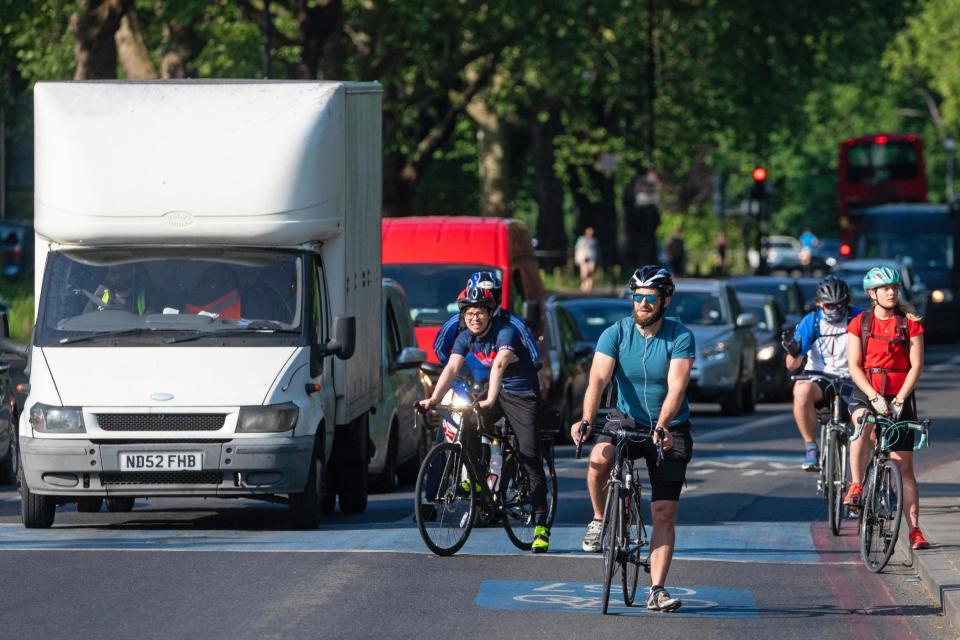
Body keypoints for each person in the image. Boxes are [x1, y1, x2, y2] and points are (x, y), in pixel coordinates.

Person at [570, 266, 695, 612]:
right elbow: (597, 379)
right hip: (625, 419)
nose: (641, 303)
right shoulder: (616, 333)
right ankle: (599, 518)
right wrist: (585, 418)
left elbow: (677, 386)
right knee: (599, 456)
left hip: (669, 427)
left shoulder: (679, 336)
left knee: (663, 512)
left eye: (649, 298)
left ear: (665, 300)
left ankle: (656, 590)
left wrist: (664, 424)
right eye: (637, 297)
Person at [419, 286, 551, 553]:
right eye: (469, 313)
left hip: (520, 394)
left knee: (528, 454)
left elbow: (500, 364)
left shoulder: (506, 331)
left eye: (480, 312)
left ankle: (540, 525)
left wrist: (490, 399)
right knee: (466, 423)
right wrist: (433, 399)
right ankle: (479, 480)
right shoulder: (465, 337)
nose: (474, 318)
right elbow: (452, 367)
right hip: (492, 391)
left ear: (490, 313)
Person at [844, 266, 929, 549]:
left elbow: (916, 366)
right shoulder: (860, 323)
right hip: (867, 390)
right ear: (872, 294)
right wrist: (873, 396)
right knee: (864, 423)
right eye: (885, 289)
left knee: (905, 467)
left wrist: (900, 399)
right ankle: (856, 485)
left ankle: (915, 530)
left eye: (894, 287)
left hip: (899, 394)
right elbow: (854, 366)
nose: (891, 292)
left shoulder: (910, 323)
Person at [782, 275, 863, 470]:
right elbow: (792, 366)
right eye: (829, 306)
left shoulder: (859, 318)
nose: (835, 310)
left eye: (839, 305)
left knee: (866, 423)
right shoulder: (811, 322)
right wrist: (793, 353)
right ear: (819, 304)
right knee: (801, 391)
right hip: (820, 376)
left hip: (852, 377)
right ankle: (811, 447)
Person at [433, 271, 540, 380]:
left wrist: (515, 375)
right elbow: (439, 349)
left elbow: (533, 355)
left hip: (504, 385)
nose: (485, 299)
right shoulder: (456, 321)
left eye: (491, 295)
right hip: (465, 385)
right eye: (479, 294)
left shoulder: (512, 322)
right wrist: (459, 373)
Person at [86, 264, 152, 316]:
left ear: (133, 270)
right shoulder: (99, 297)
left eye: (122, 269)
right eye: (113, 272)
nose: (118, 276)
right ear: (107, 275)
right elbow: (86, 321)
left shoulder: (149, 296)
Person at [574, 227, 600, 292]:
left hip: (592, 258)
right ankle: (583, 284)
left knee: (590, 272)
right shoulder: (581, 240)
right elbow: (577, 249)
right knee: (584, 273)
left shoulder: (594, 241)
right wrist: (576, 258)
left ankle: (589, 285)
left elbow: (597, 251)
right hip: (583, 258)